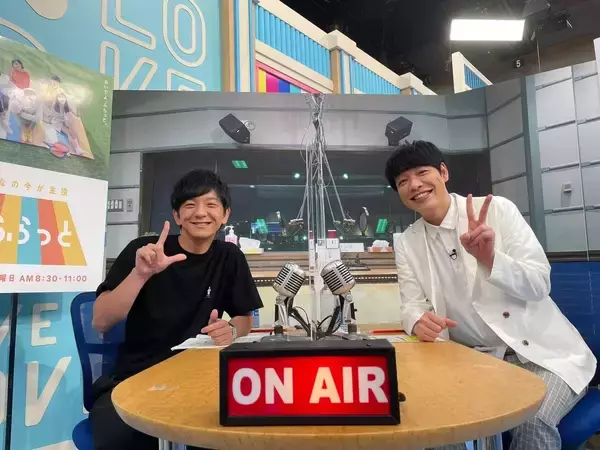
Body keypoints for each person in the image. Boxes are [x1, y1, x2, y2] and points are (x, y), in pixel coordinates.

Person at [386, 141, 596, 450]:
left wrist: (491, 259)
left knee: (532, 421)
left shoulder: (498, 210)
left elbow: (539, 283)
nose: (414, 185)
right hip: (476, 362)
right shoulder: (407, 242)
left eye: (422, 172)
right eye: (403, 181)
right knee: (438, 425)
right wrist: (417, 320)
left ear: (443, 172)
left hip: (545, 358)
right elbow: (412, 304)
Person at [90, 169, 263, 450]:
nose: (201, 213)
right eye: (190, 205)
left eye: (211, 204)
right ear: (177, 216)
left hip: (199, 381)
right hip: (138, 379)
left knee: (235, 436)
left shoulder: (229, 257)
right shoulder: (144, 251)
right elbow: (100, 320)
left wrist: (231, 330)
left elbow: (245, 319)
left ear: (225, 215)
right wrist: (140, 274)